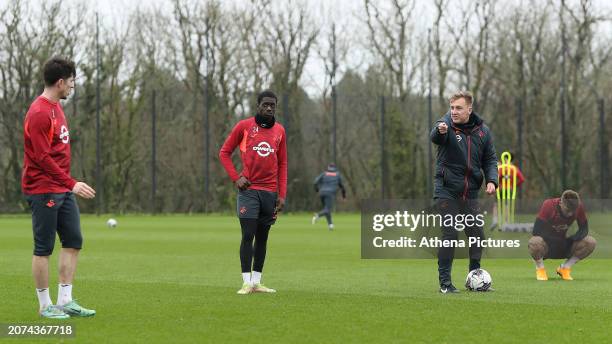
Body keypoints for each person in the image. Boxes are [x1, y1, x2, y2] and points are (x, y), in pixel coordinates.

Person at [23, 56, 97, 319]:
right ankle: (45, 306)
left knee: (74, 240)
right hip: (44, 189)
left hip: (61, 188)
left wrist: (67, 184)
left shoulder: (56, 107)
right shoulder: (40, 112)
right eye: (72, 83)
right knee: (44, 248)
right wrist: (72, 183)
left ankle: (65, 301)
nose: (72, 87)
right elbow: (42, 158)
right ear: (61, 82)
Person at [219, 90, 287, 295]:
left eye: (272, 105)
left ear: (275, 107)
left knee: (263, 237)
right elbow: (224, 153)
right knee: (248, 235)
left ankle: (257, 282)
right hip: (249, 191)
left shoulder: (280, 131)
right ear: (258, 105)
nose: (269, 108)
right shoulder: (244, 126)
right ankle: (245, 282)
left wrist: (282, 194)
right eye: (265, 104)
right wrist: (236, 177)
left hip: (269, 193)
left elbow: (283, 163)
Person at [430, 91, 498, 293]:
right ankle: (445, 284)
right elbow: (435, 135)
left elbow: (490, 159)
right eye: (451, 107)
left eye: (458, 108)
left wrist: (492, 180)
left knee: (476, 235)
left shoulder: (483, 132)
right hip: (446, 191)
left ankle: (474, 278)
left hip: (470, 194)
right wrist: (440, 130)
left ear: (469, 109)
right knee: (450, 234)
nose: (454, 112)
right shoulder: (445, 125)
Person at [528, 190, 596, 281]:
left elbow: (584, 229)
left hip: (564, 245)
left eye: (573, 211)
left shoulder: (578, 206)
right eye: (568, 210)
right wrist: (554, 241)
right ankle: (540, 269)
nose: (570, 214)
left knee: (591, 242)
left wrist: (573, 238)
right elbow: (536, 231)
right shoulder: (548, 205)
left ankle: (565, 268)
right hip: (548, 246)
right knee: (534, 241)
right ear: (560, 203)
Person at [490, 153, 525, 230]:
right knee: (506, 205)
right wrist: (515, 185)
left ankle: (495, 220)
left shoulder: (500, 167)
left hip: (500, 189)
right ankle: (505, 223)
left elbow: (496, 177)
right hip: (509, 189)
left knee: (496, 204)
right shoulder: (514, 168)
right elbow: (522, 179)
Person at [311, 163, 346, 230]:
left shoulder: (324, 174)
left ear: (328, 167)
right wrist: (344, 196)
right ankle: (317, 215)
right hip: (330, 193)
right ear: (335, 168)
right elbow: (342, 187)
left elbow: (315, 182)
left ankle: (330, 225)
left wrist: (317, 190)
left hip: (322, 193)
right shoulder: (337, 175)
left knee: (326, 209)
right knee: (327, 209)